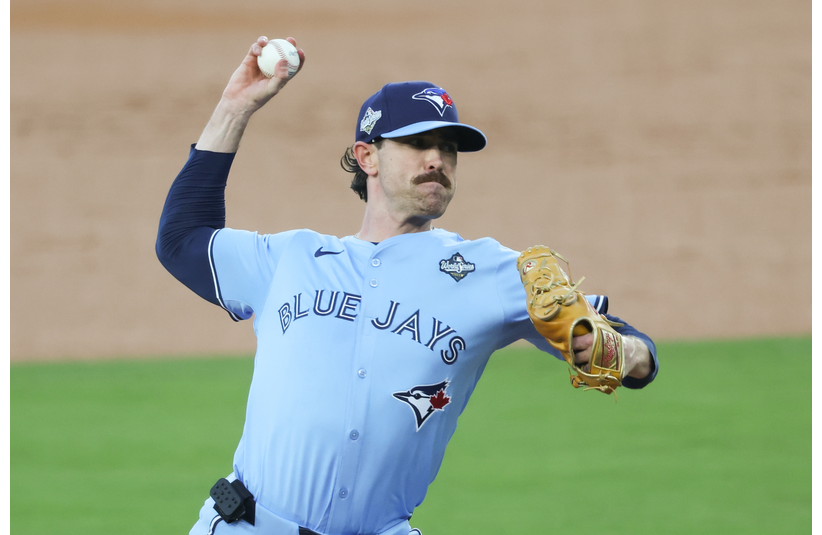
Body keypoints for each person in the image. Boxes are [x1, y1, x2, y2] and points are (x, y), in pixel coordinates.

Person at [156, 36, 658, 535]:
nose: (437, 159)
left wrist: (620, 351)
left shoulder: (496, 272)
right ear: (367, 157)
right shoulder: (291, 259)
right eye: (418, 143)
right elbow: (181, 239)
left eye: (448, 148)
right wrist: (234, 107)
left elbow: (632, 353)